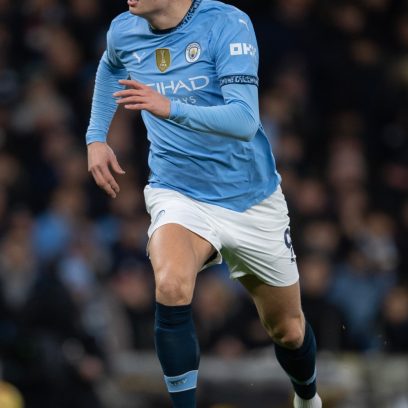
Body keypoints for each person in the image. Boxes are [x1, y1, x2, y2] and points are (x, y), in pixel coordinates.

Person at [85, 0, 322, 407]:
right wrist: (96, 136)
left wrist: (169, 108)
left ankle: (307, 398)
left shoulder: (226, 24)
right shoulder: (124, 30)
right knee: (171, 284)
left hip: (250, 200)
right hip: (178, 192)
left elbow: (244, 121)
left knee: (288, 330)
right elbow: (110, 66)